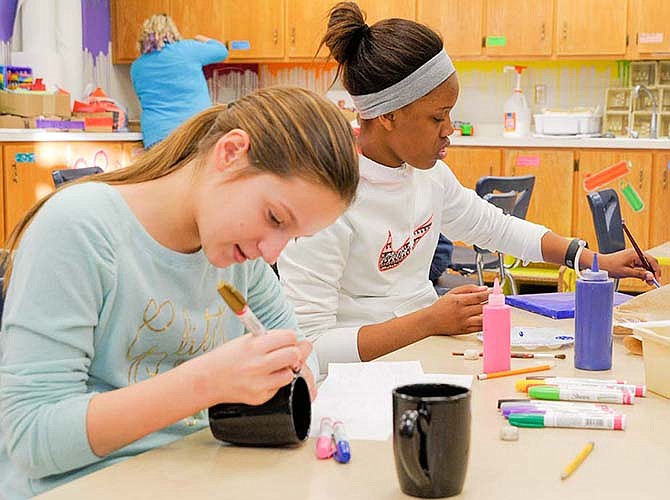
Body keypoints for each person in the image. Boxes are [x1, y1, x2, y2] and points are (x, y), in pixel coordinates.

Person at [0, 86, 359, 499]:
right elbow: (32, 437)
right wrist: (208, 383)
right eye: (275, 218)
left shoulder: (241, 254)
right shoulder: (79, 228)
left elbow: (297, 352)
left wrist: (293, 372)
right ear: (230, 153)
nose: (272, 251)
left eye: (293, 238)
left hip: (196, 475)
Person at [277, 2, 662, 376]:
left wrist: (592, 260)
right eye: (436, 117)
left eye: (450, 114)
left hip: (426, 354)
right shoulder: (323, 200)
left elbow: (498, 227)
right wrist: (428, 320)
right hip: (361, 380)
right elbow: (311, 347)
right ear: (388, 115)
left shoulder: (429, 176)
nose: (450, 130)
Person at [130, 14, 229, 149]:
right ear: (173, 31)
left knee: (165, 171)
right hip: (195, 130)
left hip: (157, 135)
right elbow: (221, 52)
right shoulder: (187, 49)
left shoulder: (137, 67)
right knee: (196, 169)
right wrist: (201, 38)